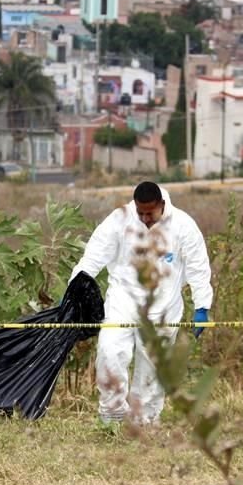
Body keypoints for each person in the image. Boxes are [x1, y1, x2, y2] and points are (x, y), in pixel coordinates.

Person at [70, 181, 213, 425]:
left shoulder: (183, 226)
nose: (145, 218)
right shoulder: (119, 220)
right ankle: (112, 417)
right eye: (141, 213)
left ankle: (144, 422)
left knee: (153, 368)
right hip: (122, 300)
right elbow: (93, 256)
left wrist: (202, 307)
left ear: (162, 205)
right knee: (109, 351)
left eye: (150, 213)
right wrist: (73, 290)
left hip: (164, 306)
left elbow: (198, 267)